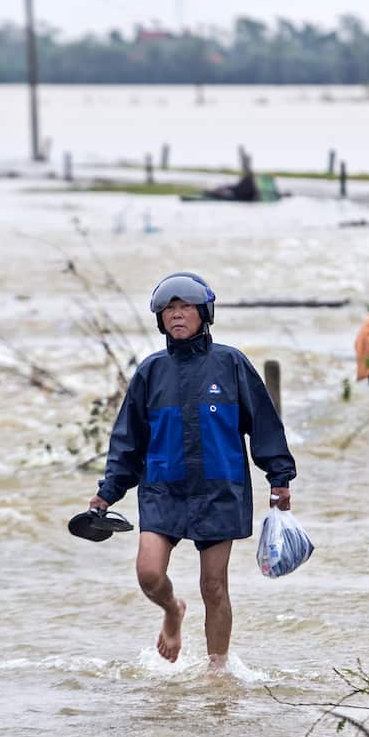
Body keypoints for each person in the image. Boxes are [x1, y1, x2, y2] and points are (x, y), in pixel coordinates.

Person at [88, 272, 296, 668]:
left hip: (220, 490)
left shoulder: (231, 364)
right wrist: (107, 492)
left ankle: (218, 672)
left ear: (205, 314)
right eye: (169, 310)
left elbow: (265, 425)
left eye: (185, 308)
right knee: (149, 574)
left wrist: (279, 477)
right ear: (160, 319)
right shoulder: (150, 372)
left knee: (214, 586)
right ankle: (172, 611)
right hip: (163, 490)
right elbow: (127, 440)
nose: (177, 316)